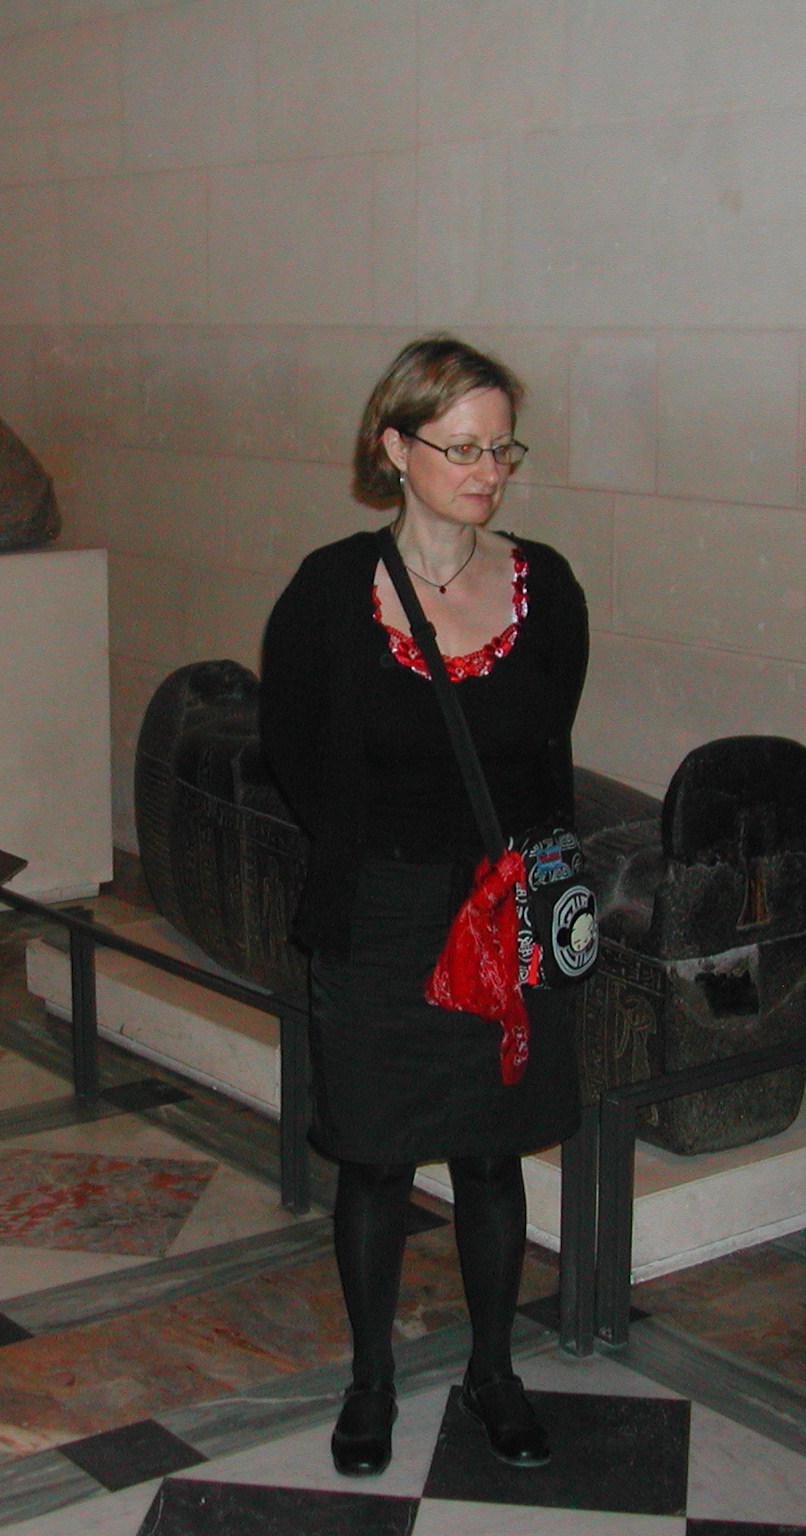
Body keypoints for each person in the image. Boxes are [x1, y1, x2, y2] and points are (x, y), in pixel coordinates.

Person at [260, 336, 588, 1477]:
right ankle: (370, 1382)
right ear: (395, 449)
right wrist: (383, 860)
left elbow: (546, 749)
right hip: (384, 915)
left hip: (499, 907)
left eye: (502, 448)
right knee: (376, 1157)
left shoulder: (546, 587)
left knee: (491, 1156)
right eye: (461, 448)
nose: (487, 471)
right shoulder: (327, 590)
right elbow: (292, 749)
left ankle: (494, 1373)